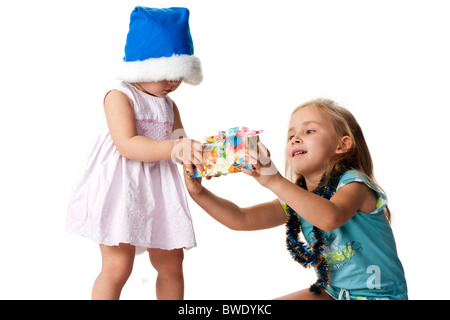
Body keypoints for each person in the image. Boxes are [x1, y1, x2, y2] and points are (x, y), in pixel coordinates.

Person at [185, 98, 408, 300]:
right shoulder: (297, 196)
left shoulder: (354, 184)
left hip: (380, 295)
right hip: (335, 293)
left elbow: (330, 217)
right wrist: (199, 193)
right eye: (291, 136)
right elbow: (241, 219)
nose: (295, 139)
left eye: (309, 131)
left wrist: (274, 181)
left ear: (342, 145)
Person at [66, 6, 204, 300]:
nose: (172, 82)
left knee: (172, 262)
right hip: (123, 188)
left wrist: (202, 154)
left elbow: (180, 141)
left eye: (179, 75)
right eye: (165, 74)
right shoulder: (120, 96)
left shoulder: (168, 105)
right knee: (118, 266)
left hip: (159, 190)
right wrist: (175, 147)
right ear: (144, 66)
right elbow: (127, 144)